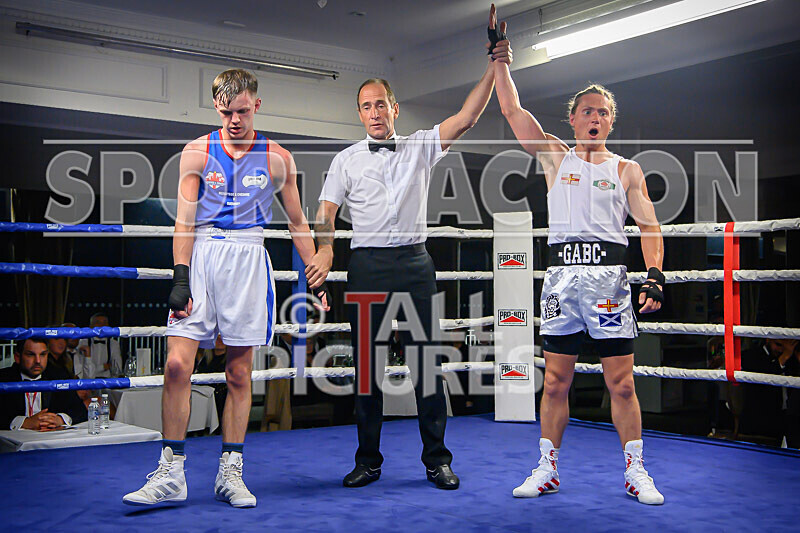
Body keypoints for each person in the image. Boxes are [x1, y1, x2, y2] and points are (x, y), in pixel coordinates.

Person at [308, 6, 502, 491]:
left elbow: (468, 117)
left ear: (394, 108)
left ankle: (437, 460)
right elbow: (326, 213)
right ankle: (368, 461)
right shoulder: (346, 160)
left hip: (415, 265)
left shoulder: (418, 145)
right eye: (366, 106)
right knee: (368, 373)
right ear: (360, 114)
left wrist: (495, 65)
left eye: (381, 104)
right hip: (368, 265)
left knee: (426, 368)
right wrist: (327, 251)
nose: (374, 113)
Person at [124, 68, 329, 508]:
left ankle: (230, 472)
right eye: (224, 111)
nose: (233, 119)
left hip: (248, 258)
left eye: (241, 110)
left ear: (256, 104)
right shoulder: (196, 151)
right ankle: (171, 471)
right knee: (178, 365)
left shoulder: (278, 158)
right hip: (202, 253)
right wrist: (181, 275)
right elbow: (183, 219)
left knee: (238, 372)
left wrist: (314, 274)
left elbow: (298, 223)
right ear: (216, 107)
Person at [491, 10, 666, 505]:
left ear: (611, 121)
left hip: (610, 284)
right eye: (587, 111)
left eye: (603, 112)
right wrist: (501, 59)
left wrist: (653, 275)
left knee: (622, 383)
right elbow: (510, 109)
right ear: (572, 119)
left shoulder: (627, 169)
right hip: (563, 280)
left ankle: (636, 471)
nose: (595, 118)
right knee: (555, 382)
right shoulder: (555, 156)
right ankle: (546, 467)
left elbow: (649, 226)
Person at [0, 338, 87, 430]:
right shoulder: (4, 379)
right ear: (17, 357)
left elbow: (79, 410)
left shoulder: (58, 376)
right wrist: (24, 422)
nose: (37, 361)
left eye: (42, 354)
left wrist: (60, 419)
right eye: (31, 355)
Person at [78, 312, 122, 378]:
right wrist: (103, 367)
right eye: (98, 323)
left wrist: (95, 369)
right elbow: (81, 370)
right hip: (88, 382)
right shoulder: (83, 342)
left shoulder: (114, 344)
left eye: (104, 323)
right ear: (91, 326)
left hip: (108, 384)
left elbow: (117, 369)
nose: (102, 326)